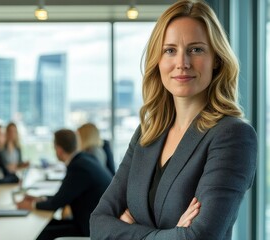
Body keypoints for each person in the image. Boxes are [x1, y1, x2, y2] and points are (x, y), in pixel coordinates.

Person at [90, 1, 257, 239]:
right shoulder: (147, 133)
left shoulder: (232, 135)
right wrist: (170, 234)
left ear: (217, 59)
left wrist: (128, 230)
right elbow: (98, 223)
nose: (182, 63)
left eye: (196, 49)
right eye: (170, 50)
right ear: (157, 61)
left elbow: (200, 236)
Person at [17, 129, 112, 240]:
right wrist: (39, 198)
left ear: (58, 149)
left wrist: (31, 205)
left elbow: (56, 204)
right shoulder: (85, 159)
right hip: (97, 224)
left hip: (90, 230)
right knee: (47, 226)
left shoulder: (78, 167)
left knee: (40, 235)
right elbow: (64, 196)